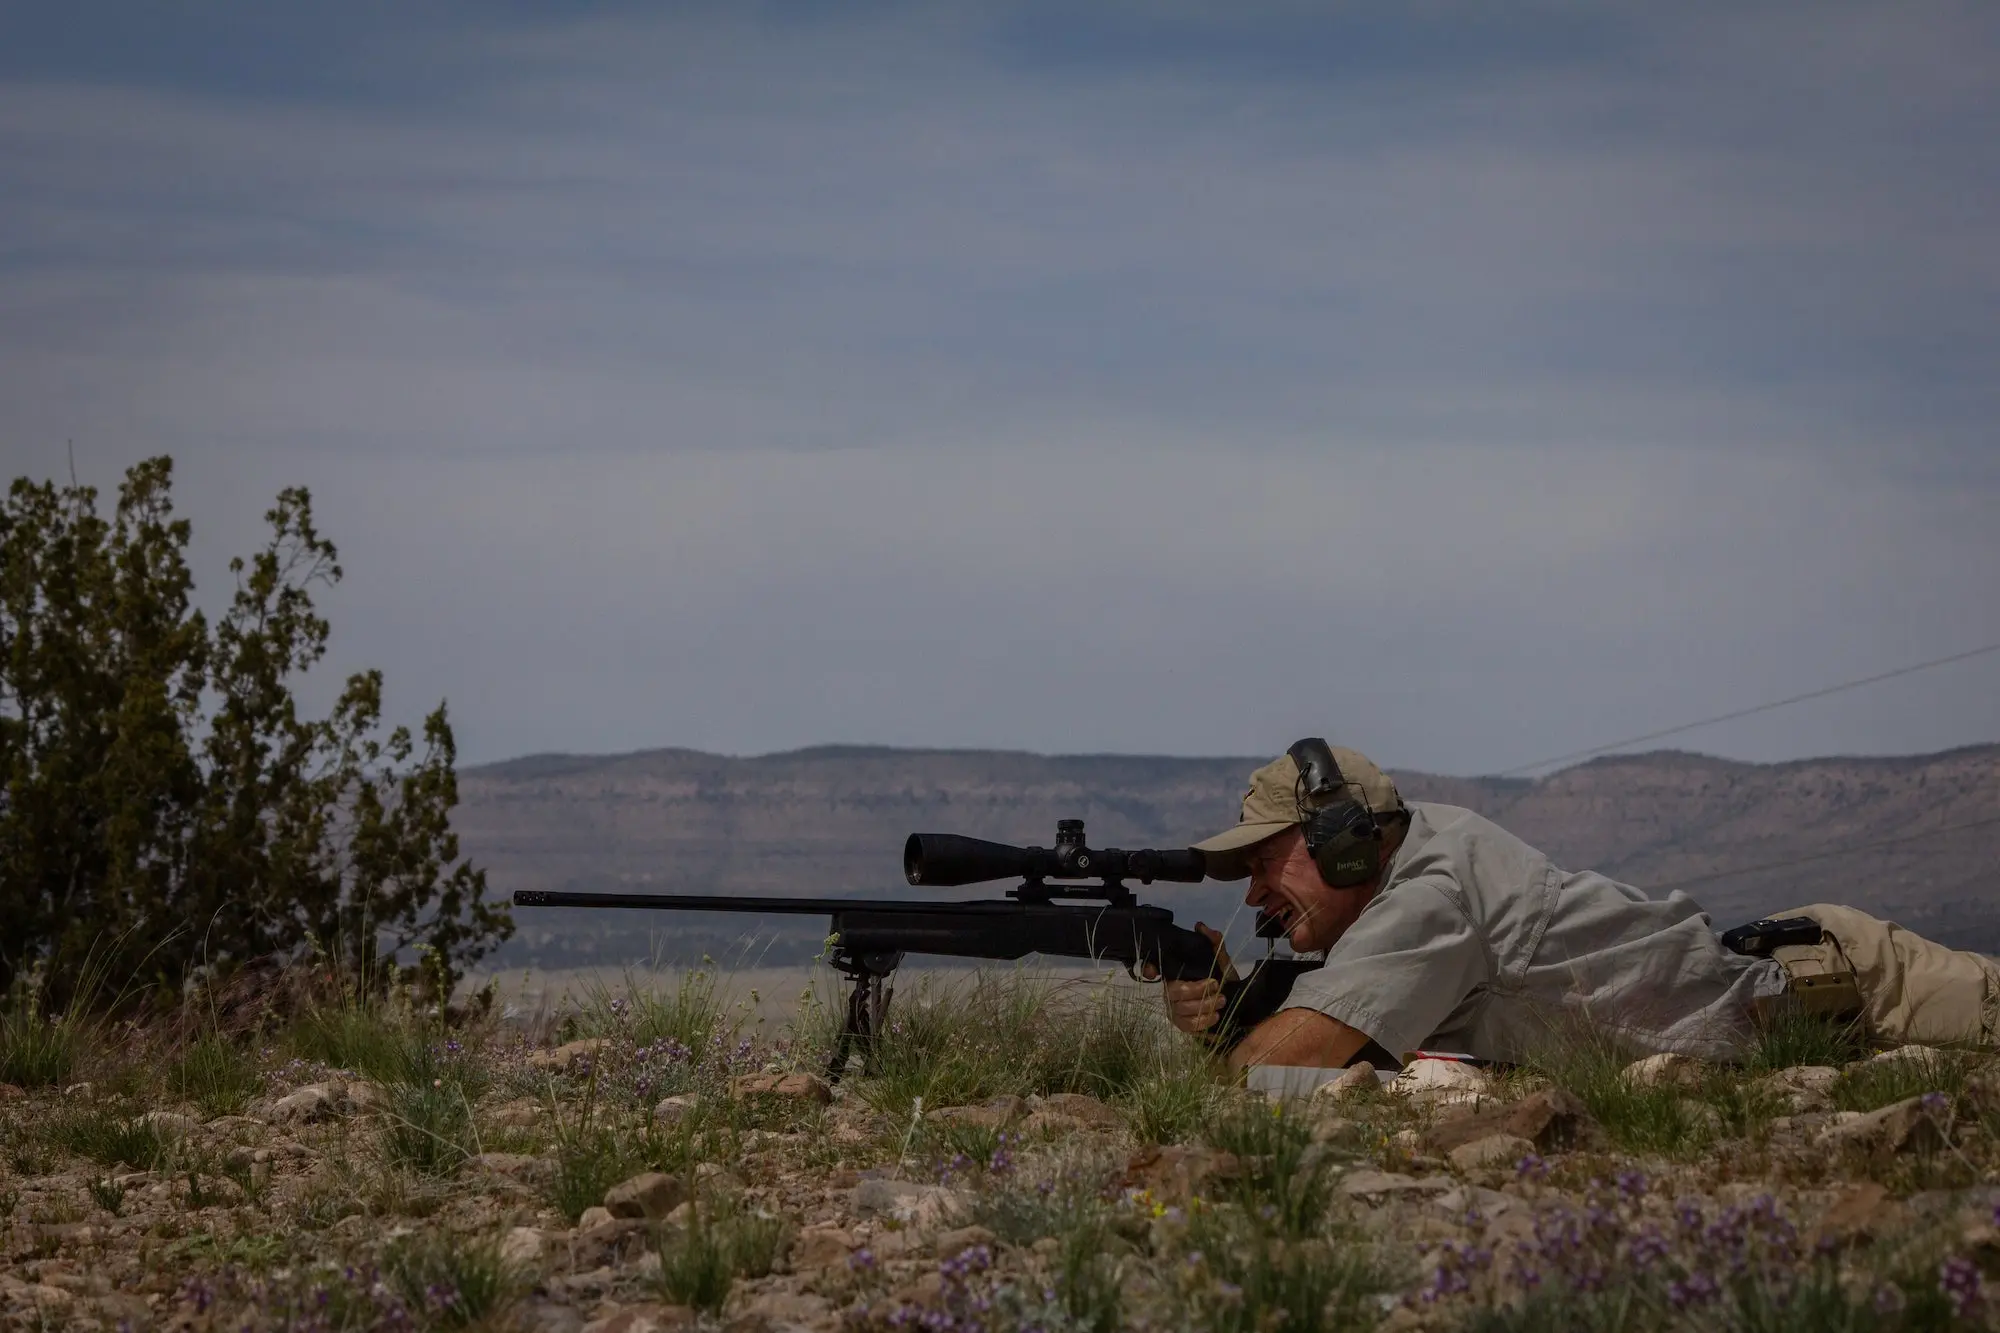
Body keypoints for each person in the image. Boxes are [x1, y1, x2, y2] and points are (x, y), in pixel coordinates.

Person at [1160, 738, 2000, 1071]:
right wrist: (1225, 1006)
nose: (1255, 890)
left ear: (1346, 839)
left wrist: (1234, 1036)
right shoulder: (1412, 873)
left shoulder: (1431, 895)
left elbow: (1271, 1071)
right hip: (1808, 1011)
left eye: (1268, 859)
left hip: (1867, 985)